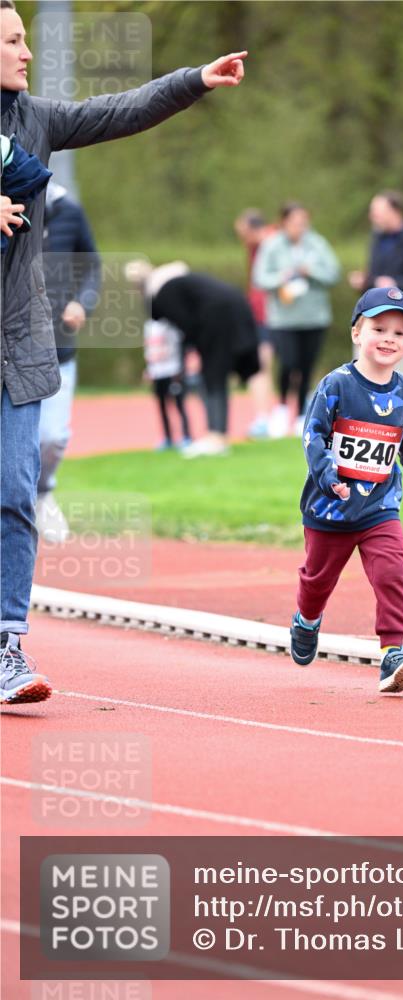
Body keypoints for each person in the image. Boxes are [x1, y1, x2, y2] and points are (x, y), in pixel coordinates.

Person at [0, 0, 247, 704]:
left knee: (14, 494)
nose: (27, 52)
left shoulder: (36, 120)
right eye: (13, 41)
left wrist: (193, 80)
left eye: (25, 39)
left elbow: (117, 110)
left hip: (19, 346)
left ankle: (6, 647)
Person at [289, 286, 403, 694]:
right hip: (330, 508)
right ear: (357, 333)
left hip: (379, 508)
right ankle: (307, 620)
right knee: (317, 580)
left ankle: (393, 652)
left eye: (399, 333)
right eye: (379, 329)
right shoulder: (336, 385)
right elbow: (313, 435)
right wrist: (327, 477)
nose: (388, 339)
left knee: (393, 572)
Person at [134, 264, 259, 457]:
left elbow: (187, 325)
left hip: (218, 317)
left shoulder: (163, 296)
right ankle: (216, 435)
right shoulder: (178, 285)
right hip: (235, 307)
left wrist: (190, 354)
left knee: (213, 376)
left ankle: (216, 437)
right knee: (215, 376)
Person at [35, 183, 101, 542]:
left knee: (52, 436)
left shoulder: (69, 212)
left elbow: (91, 265)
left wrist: (82, 301)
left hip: (58, 348)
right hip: (10, 347)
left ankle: (43, 493)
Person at [252, 202, 340, 438]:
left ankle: (302, 413)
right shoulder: (272, 245)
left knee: (306, 365)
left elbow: (333, 273)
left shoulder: (317, 243)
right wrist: (281, 277)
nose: (299, 227)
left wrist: (310, 271)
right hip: (283, 319)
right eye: (294, 223)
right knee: (288, 362)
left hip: (314, 317)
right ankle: (281, 407)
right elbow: (259, 277)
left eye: (303, 223)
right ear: (284, 222)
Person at [349, 190, 403, 379]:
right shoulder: (376, 238)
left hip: (399, 316)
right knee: (362, 374)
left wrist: (395, 284)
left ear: (395, 211)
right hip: (372, 317)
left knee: (400, 376)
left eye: (377, 212)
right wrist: (365, 281)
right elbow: (375, 277)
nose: (372, 216)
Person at [234, 208, 276, 438]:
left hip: (275, 314)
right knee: (261, 365)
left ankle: (272, 417)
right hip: (259, 315)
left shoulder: (274, 243)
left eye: (243, 233)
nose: (242, 239)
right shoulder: (253, 248)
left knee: (271, 365)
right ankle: (263, 417)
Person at [143, 317, 192, 451]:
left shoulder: (171, 324)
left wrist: (181, 369)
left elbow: (179, 346)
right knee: (162, 406)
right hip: (157, 372)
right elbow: (149, 348)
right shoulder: (149, 326)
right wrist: (149, 369)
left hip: (173, 371)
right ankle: (168, 438)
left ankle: (186, 436)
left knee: (179, 405)